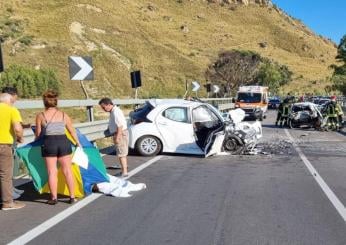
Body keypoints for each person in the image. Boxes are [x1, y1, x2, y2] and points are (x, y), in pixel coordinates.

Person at [35, 90, 81, 205]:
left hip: (49, 143)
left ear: (44, 103)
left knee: (52, 172)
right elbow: (72, 131)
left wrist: (35, 142)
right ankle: (72, 197)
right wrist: (78, 143)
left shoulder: (40, 116)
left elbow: (38, 134)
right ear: (56, 102)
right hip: (63, 142)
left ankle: (54, 198)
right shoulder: (64, 115)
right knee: (68, 171)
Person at [0, 93, 25, 210]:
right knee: (5, 174)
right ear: (9, 100)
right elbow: (17, 128)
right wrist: (20, 138)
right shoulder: (11, 110)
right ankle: (7, 203)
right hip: (3, 145)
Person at [99, 97, 129, 177]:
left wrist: (117, 137)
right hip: (120, 133)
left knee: (121, 154)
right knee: (122, 153)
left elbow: (120, 126)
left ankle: (124, 172)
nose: (103, 109)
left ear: (108, 104)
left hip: (120, 133)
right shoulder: (114, 111)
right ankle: (124, 170)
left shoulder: (115, 112)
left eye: (103, 107)